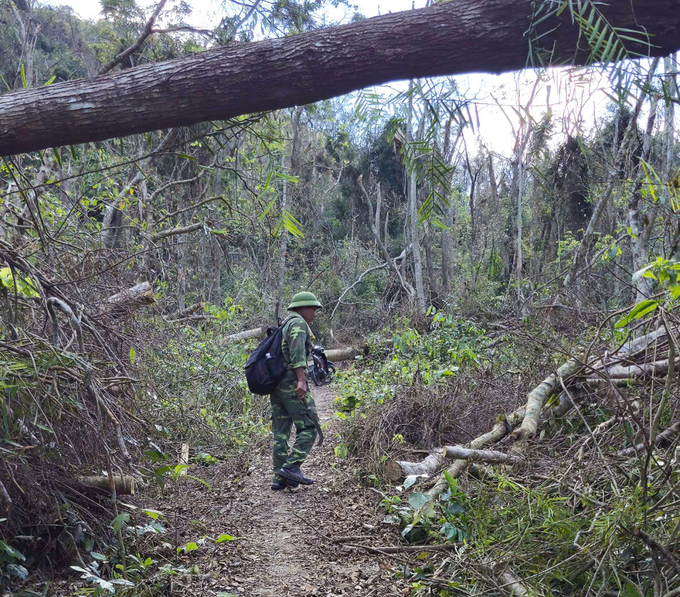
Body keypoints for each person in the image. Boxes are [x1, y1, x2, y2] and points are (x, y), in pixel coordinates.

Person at [270, 291, 323, 491]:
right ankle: (291, 467)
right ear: (303, 308)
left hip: (276, 385)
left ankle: (279, 478)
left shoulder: (285, 323)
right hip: (292, 384)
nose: (315, 314)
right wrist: (301, 380)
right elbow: (297, 353)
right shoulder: (299, 324)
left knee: (281, 432)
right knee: (310, 427)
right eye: (313, 309)